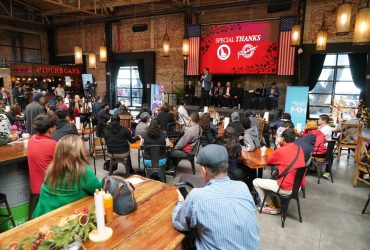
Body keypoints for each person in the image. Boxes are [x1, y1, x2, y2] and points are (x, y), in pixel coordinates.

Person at [172, 144, 260, 250]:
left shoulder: (197, 196)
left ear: (203, 171)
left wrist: (181, 203)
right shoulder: (243, 188)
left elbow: (180, 224)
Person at [32, 135, 102, 218]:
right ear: (79, 152)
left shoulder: (51, 169)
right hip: (58, 221)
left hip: (40, 215)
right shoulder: (83, 171)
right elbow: (99, 190)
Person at [252, 129, 305, 214]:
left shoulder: (281, 150)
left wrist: (280, 146)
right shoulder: (300, 149)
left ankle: (269, 206)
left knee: (256, 182)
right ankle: (274, 201)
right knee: (271, 180)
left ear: (283, 139)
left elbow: (270, 160)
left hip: (285, 187)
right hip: (297, 186)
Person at [27, 114, 57, 218]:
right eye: (54, 125)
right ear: (50, 129)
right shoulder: (53, 145)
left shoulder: (31, 140)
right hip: (49, 191)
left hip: (34, 189)